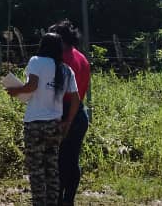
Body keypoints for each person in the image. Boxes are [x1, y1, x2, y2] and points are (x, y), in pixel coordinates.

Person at [6, 33, 80, 206]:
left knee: (36, 170)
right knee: (51, 169)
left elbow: (32, 86)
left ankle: (39, 202)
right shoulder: (66, 69)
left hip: (35, 124)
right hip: (55, 124)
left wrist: (15, 91)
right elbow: (76, 99)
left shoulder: (36, 61)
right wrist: (67, 122)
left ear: (42, 45)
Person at [48, 20, 91, 206]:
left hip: (64, 112)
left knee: (58, 161)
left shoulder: (61, 59)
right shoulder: (81, 58)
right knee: (72, 159)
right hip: (80, 113)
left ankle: (57, 199)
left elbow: (55, 91)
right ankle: (68, 199)